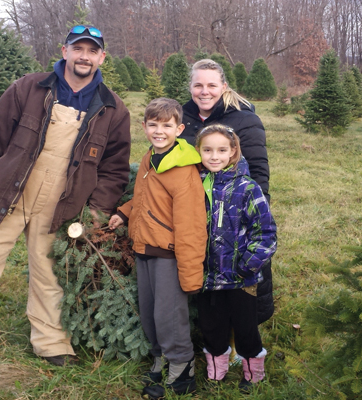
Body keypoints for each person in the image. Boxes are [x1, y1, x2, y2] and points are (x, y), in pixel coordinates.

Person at [0, 24, 131, 368]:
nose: (84, 56)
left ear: (101, 57)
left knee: (51, 274)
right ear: (64, 51)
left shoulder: (112, 108)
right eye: (78, 49)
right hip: (6, 194)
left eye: (91, 51)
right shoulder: (29, 88)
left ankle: (52, 343)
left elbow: (114, 168)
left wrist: (97, 210)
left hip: (63, 204)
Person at [108, 98, 207, 399]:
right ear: (144, 127)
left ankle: (182, 369)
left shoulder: (183, 170)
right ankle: (160, 358)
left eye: (166, 125)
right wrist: (125, 211)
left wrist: (190, 274)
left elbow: (191, 226)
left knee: (169, 314)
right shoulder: (151, 158)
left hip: (168, 254)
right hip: (144, 248)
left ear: (180, 128)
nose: (159, 131)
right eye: (153, 125)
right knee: (150, 311)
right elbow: (145, 197)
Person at [180, 59, 275, 324]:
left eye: (211, 85)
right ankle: (207, 328)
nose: (204, 91)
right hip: (196, 210)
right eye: (198, 85)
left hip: (234, 212)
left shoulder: (245, 119)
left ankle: (243, 335)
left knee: (238, 274)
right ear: (190, 87)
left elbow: (257, 168)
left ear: (223, 86)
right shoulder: (182, 119)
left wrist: (255, 214)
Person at [195, 124, 276, 392]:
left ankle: (253, 374)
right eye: (207, 150)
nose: (214, 156)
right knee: (211, 326)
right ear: (199, 152)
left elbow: (265, 232)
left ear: (233, 152)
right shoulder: (196, 185)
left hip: (241, 278)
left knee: (246, 329)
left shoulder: (247, 188)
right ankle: (215, 372)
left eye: (221, 150)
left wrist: (247, 265)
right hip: (208, 277)